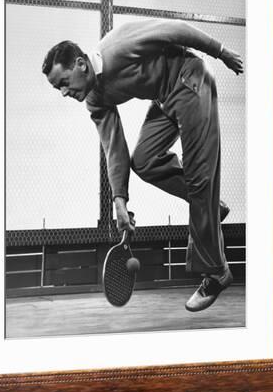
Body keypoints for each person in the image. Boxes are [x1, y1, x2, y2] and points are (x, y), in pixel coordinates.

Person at [42, 19, 243, 312]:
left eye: (63, 83)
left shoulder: (118, 45)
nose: (63, 92)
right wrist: (119, 200)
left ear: (81, 64)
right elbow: (114, 147)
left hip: (190, 80)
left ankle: (216, 273)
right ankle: (211, 206)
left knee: (200, 181)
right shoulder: (94, 99)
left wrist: (220, 51)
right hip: (163, 99)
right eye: (56, 88)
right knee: (145, 161)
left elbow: (176, 29)